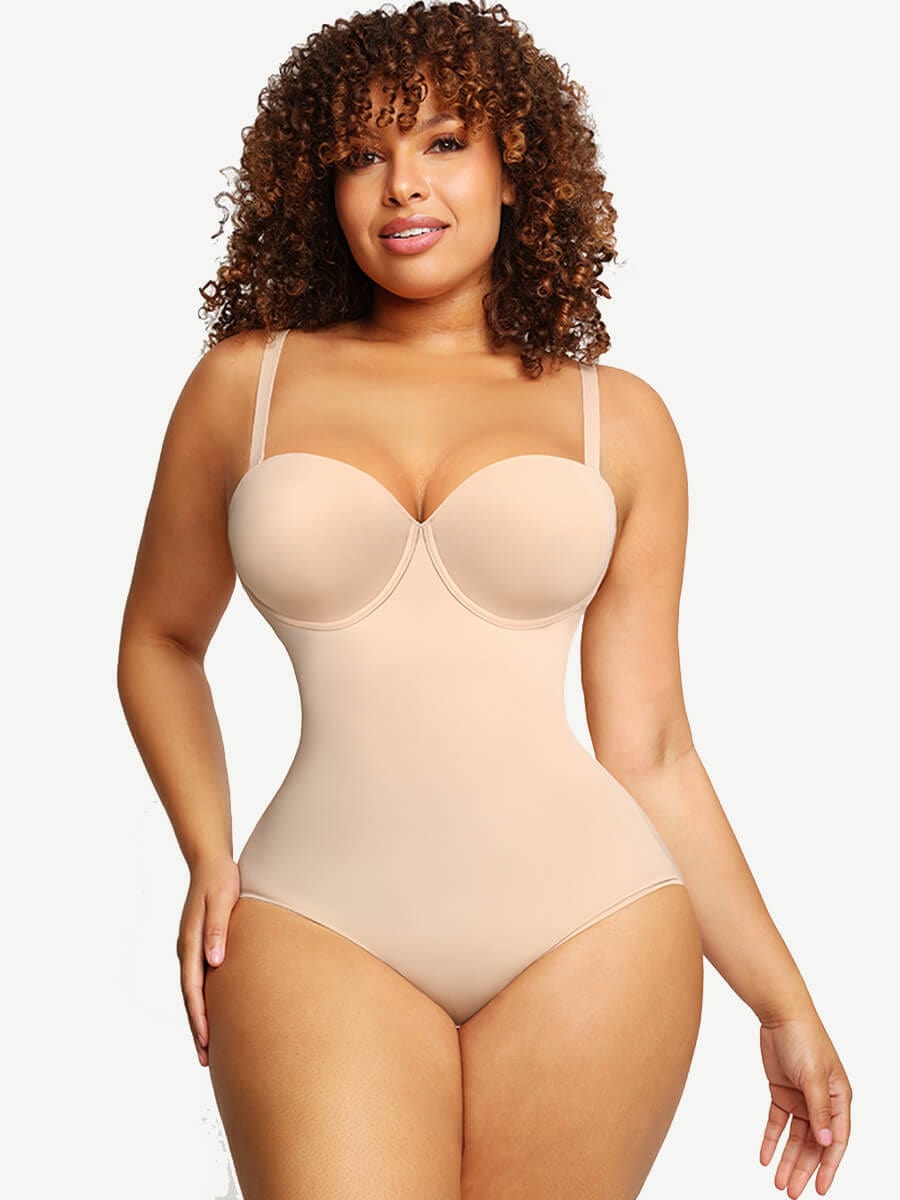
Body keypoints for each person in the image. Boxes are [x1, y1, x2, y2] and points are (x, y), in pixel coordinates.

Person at [116, 1, 852, 1196]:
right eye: (363, 154)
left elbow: (652, 749)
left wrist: (784, 1003)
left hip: (594, 927)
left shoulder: (620, 421)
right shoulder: (244, 389)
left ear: (518, 166)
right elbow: (159, 637)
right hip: (313, 920)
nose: (402, 184)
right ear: (320, 186)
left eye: (444, 142)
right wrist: (206, 849)